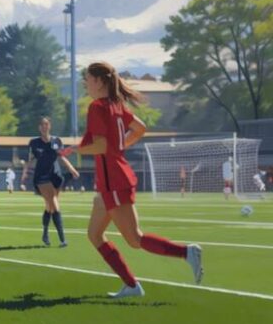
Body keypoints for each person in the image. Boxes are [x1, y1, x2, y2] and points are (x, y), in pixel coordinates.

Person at [69, 62, 203, 298]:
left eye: (87, 79)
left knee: (134, 239)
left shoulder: (98, 107)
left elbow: (101, 145)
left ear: (99, 81)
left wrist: (75, 149)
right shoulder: (116, 105)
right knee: (94, 234)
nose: (85, 83)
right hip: (111, 180)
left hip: (114, 182)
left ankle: (186, 253)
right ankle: (131, 285)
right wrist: (120, 147)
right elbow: (140, 128)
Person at [21, 117, 79, 247]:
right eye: (41, 124)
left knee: (49, 206)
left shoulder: (57, 141)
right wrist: (25, 172)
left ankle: (45, 233)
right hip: (42, 177)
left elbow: (62, 157)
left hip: (56, 176)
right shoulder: (34, 143)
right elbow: (29, 160)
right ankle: (62, 239)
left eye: (46, 124)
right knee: (54, 203)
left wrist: (72, 169)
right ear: (39, 127)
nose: (44, 126)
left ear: (49, 126)